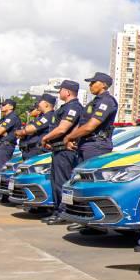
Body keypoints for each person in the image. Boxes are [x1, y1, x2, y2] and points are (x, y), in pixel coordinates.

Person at [41, 81, 87, 225]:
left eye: (60, 90)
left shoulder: (73, 107)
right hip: (58, 149)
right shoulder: (65, 107)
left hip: (65, 151)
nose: (59, 92)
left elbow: (62, 129)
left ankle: (64, 212)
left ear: (67, 92)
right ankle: (58, 211)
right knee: (56, 182)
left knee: (62, 183)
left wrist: (46, 138)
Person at [66, 73, 119, 164]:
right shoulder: (94, 102)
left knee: (91, 176)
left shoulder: (106, 101)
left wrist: (68, 137)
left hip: (97, 145)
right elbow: (82, 123)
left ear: (103, 85)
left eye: (93, 82)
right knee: (80, 176)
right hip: (86, 143)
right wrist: (73, 139)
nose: (90, 85)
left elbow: (90, 126)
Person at [0, 100, 22, 200]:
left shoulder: (12, 117)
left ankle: (3, 195)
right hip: (0, 145)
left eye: (3, 105)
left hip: (6, 146)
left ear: (10, 106)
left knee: (1, 170)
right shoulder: (4, 118)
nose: (1, 106)